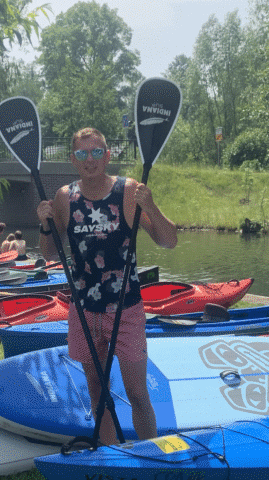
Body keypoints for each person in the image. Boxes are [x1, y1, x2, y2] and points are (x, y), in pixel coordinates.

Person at [37, 126, 177, 443]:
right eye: (83, 153)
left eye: (97, 152)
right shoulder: (64, 198)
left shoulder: (129, 191)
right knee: (98, 391)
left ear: (107, 155)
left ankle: (150, 455)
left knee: (137, 392)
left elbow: (168, 241)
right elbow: (49, 254)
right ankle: (111, 455)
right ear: (73, 159)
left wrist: (151, 205)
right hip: (84, 309)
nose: (90, 160)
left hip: (125, 308)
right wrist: (45, 225)